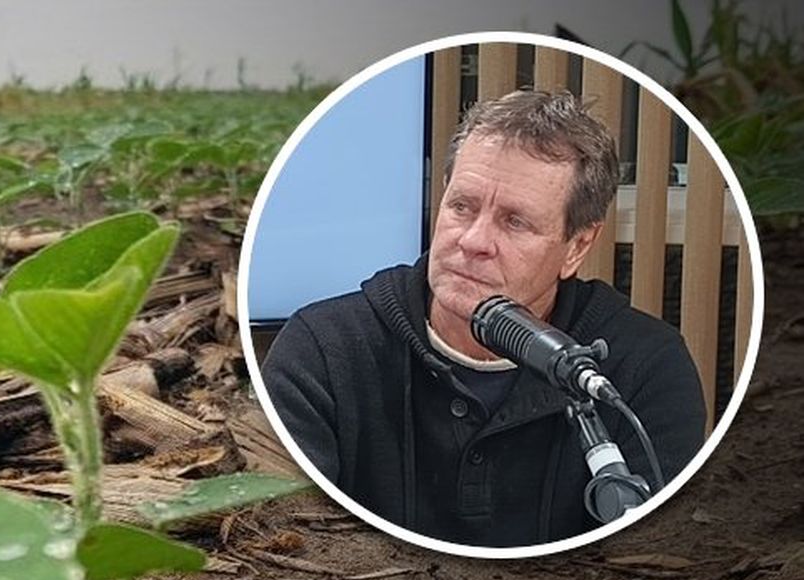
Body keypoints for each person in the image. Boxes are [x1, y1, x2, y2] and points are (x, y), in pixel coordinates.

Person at [261, 88, 707, 548]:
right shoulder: (321, 351)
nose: (473, 240)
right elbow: (290, 545)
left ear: (576, 247)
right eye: (462, 207)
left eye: (515, 222)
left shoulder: (645, 369)